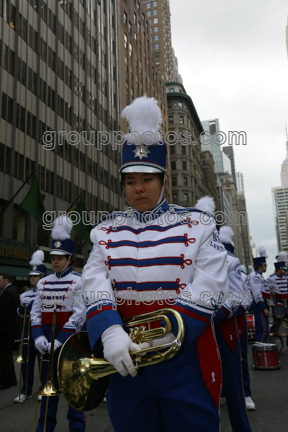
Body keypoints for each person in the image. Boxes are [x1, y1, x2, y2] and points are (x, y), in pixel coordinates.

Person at [82, 96, 229, 432]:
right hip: (124, 359)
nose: (139, 188)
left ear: (163, 180)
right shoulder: (104, 231)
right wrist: (109, 330)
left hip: (184, 361)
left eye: (147, 179)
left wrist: (169, 335)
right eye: (131, 180)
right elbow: (93, 281)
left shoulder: (199, 225)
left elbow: (211, 285)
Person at [30, 216, 86, 432]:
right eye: (53, 257)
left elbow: (80, 314)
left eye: (60, 258)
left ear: (70, 259)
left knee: (75, 391)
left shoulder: (79, 281)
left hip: (70, 342)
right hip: (45, 339)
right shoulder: (43, 282)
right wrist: (39, 337)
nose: (55, 261)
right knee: (46, 391)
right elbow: (35, 314)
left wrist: (60, 340)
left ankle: (77, 428)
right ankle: (44, 427)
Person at [211, 221, 252, 432]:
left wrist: (214, 316)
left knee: (234, 391)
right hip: (194, 331)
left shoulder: (230, 260)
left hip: (222, 328)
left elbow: (241, 297)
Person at [14, 251, 47, 403]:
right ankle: (25, 390)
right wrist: (22, 308)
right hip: (27, 330)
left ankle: (43, 388)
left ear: (42, 277)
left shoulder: (48, 293)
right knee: (26, 362)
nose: (32, 278)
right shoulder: (25, 294)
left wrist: (33, 305)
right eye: (31, 276)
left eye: (36, 276)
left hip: (42, 330)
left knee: (43, 362)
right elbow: (20, 314)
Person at [239, 264, 255, 410]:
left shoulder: (240, 272)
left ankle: (246, 393)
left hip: (235, 317)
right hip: (214, 318)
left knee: (241, 357)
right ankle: (222, 392)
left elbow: (247, 298)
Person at [0, 272, 20, 389]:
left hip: (7, 330)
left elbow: (3, 313)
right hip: (11, 328)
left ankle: (6, 381)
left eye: (0, 280)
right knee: (6, 355)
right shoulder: (12, 290)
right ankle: (10, 380)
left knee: (4, 355)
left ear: (6, 281)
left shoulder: (7, 292)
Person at [248, 247, 269, 343]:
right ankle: (261, 353)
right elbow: (256, 294)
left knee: (260, 329)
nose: (266, 266)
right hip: (258, 304)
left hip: (259, 304)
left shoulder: (258, 276)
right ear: (261, 266)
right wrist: (263, 307)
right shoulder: (255, 276)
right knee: (263, 329)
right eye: (265, 265)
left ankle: (259, 352)